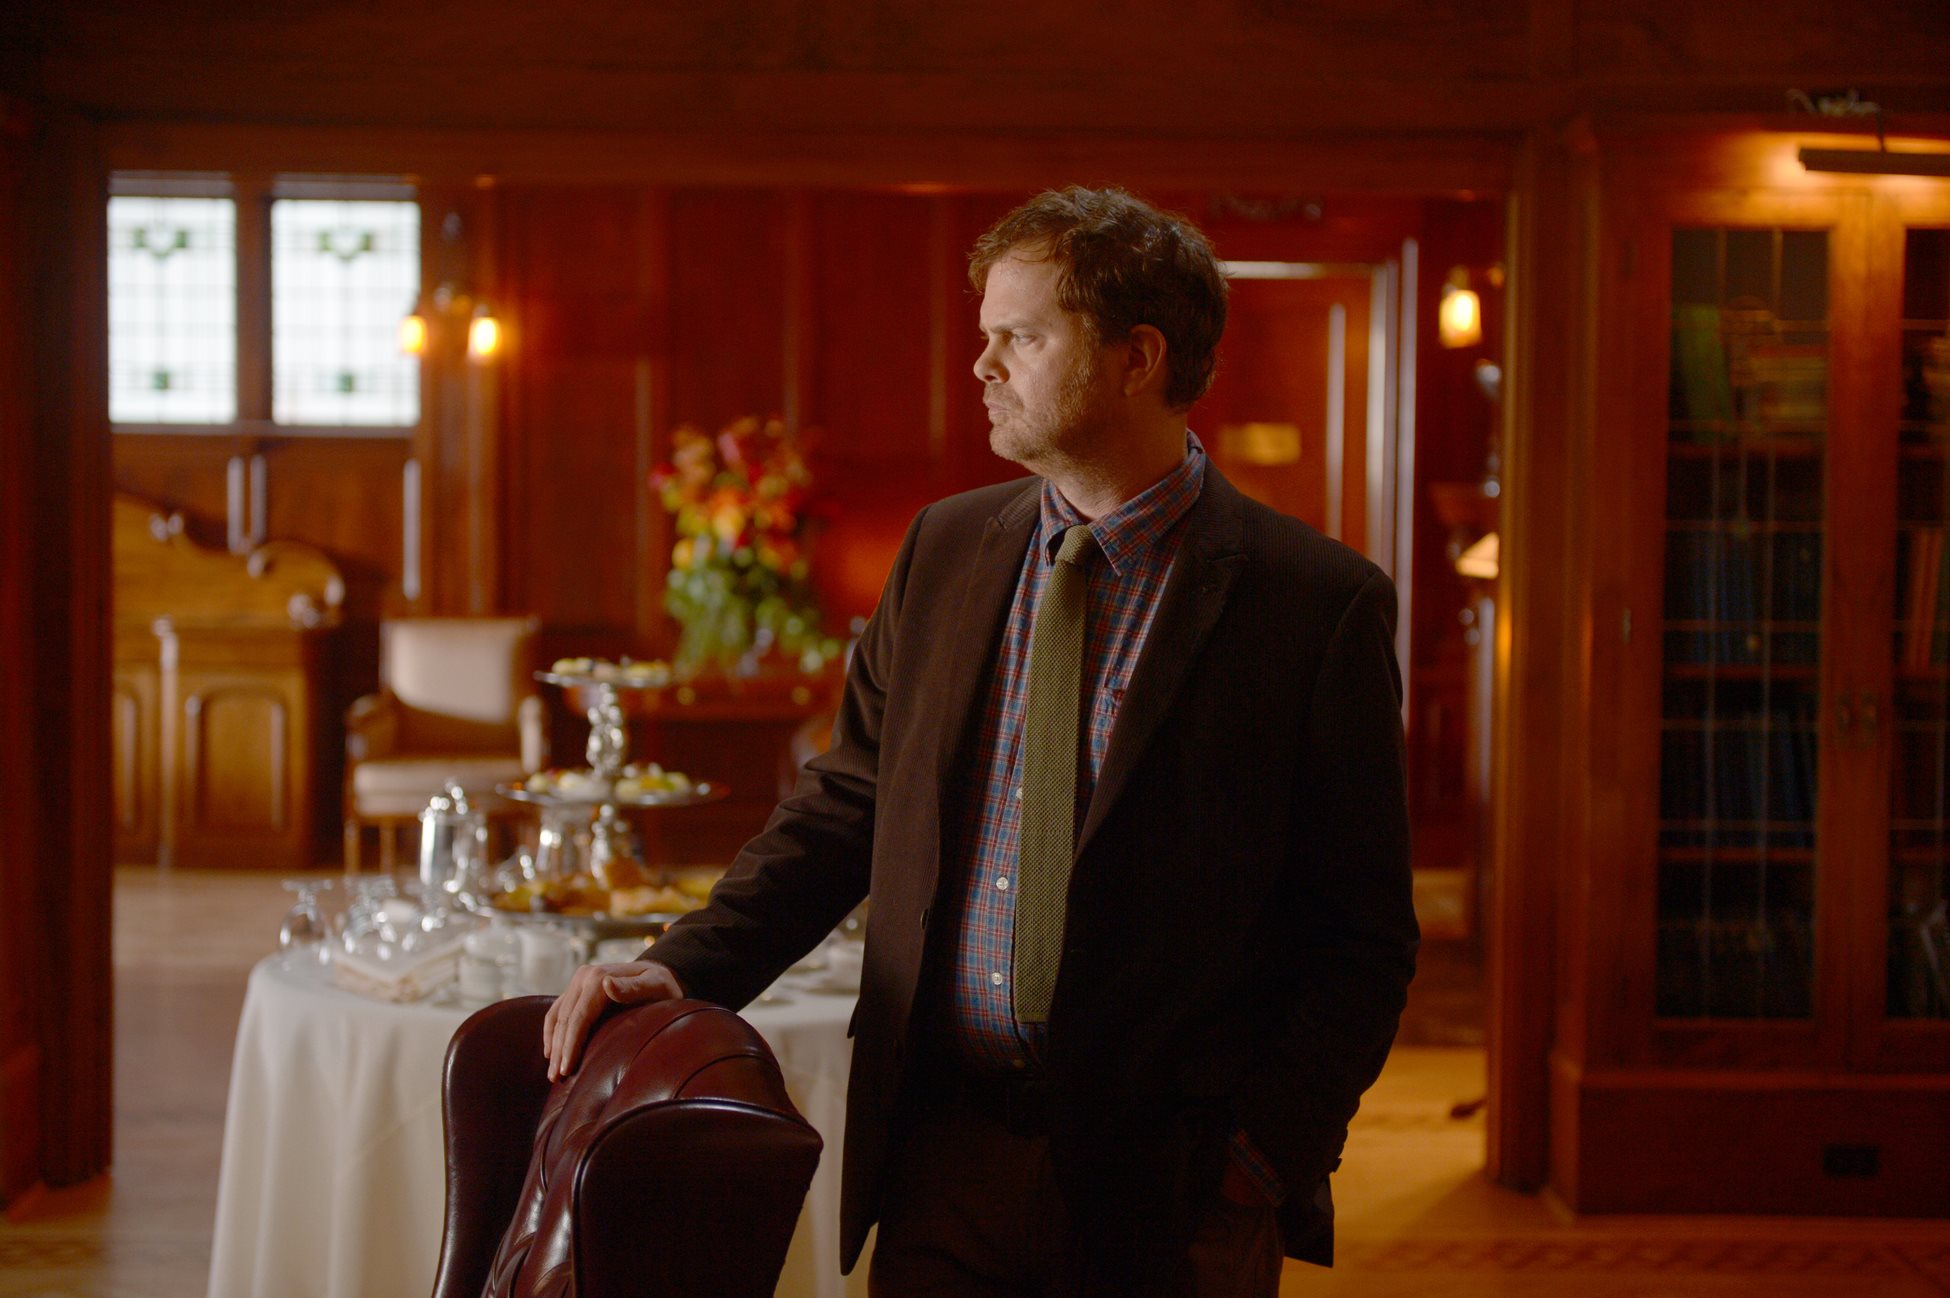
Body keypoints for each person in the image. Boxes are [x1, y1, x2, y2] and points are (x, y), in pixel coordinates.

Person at [542, 185, 1417, 1297]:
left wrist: (1264, 1154)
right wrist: (681, 964)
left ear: (1137, 357)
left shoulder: (1314, 601)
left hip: (1174, 1187)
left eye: (1022, 337)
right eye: (985, 335)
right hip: (938, 1154)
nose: (982, 364)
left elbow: (1360, 932)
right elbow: (845, 805)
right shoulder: (945, 550)